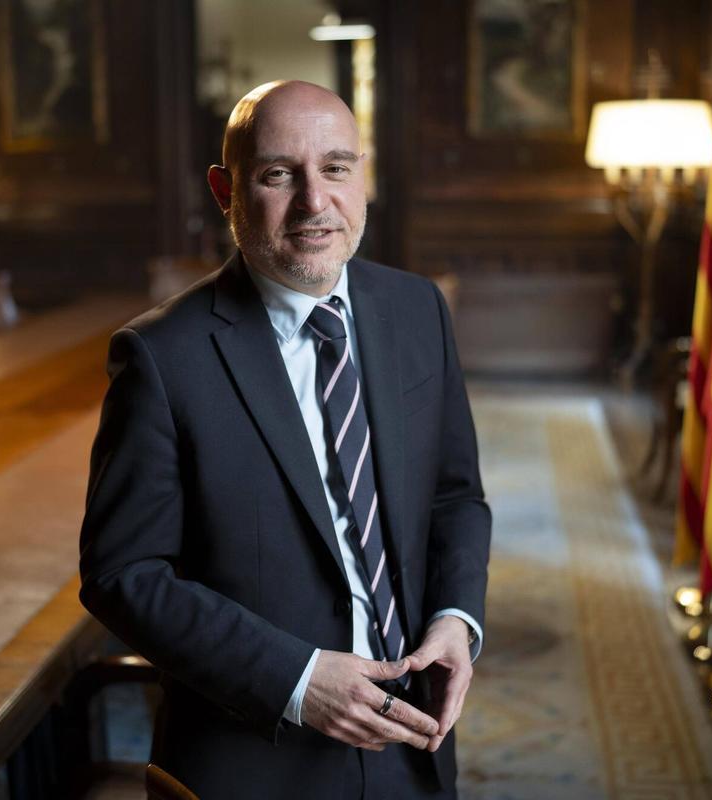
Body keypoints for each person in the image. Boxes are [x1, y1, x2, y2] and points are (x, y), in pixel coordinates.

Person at [79, 80, 491, 799]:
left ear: (361, 175)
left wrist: (457, 619)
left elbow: (454, 495)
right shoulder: (162, 357)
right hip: (258, 753)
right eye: (277, 174)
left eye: (335, 168)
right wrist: (296, 679)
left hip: (414, 737)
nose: (314, 202)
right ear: (224, 189)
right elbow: (124, 574)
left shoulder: (416, 309)